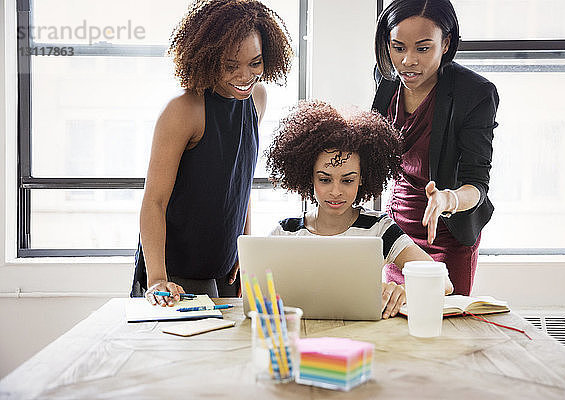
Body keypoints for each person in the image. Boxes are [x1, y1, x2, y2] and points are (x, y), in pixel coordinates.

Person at [131, 0, 293, 306]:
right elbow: (154, 201)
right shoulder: (183, 110)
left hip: (226, 269)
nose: (245, 76)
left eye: (255, 63)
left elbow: (239, 183)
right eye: (231, 66)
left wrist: (243, 252)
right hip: (175, 274)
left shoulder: (256, 98)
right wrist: (157, 281)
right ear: (207, 57)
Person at [266, 100, 453, 319]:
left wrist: (404, 291)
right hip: (301, 334)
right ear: (309, 177)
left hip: (368, 336)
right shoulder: (285, 232)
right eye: (325, 180)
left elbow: (444, 283)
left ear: (362, 179)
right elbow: (260, 291)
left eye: (347, 181)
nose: (336, 191)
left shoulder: (380, 229)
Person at [372, 0, 499, 295]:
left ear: (446, 44)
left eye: (423, 48)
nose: (407, 61)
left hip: (448, 233)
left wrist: (446, 200)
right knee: (394, 324)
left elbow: (477, 185)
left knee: (444, 327)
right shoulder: (386, 80)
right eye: (398, 47)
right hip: (398, 229)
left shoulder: (475, 93)